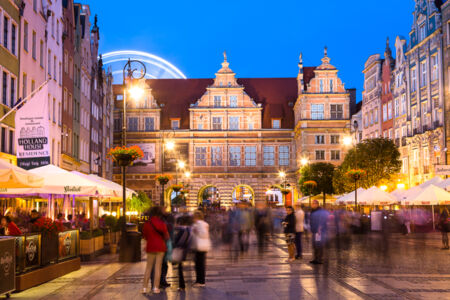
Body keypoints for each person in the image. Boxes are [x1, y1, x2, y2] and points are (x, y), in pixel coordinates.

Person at [142, 206, 169, 295]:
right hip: (160, 247)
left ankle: (144, 288)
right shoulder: (161, 223)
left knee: (148, 268)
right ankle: (155, 287)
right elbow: (166, 236)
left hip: (150, 247)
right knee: (158, 268)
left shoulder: (147, 223)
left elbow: (145, 236)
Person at [173, 215, 193, 291]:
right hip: (186, 250)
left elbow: (178, 241)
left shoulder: (182, 230)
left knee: (180, 269)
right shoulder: (189, 229)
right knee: (184, 269)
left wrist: (174, 246)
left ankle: (182, 286)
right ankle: (185, 284)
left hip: (181, 251)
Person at [192, 210, 211, 287]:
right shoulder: (204, 223)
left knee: (199, 265)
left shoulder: (199, 224)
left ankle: (200, 281)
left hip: (199, 246)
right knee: (200, 264)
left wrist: (196, 231)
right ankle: (200, 281)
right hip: (203, 246)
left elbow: (203, 234)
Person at [309, 200, 329, 264]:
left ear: (317, 204)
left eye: (314, 203)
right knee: (314, 245)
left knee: (319, 245)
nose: (312, 205)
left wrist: (320, 228)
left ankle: (319, 259)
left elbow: (322, 220)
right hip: (314, 230)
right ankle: (315, 258)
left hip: (319, 231)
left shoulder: (320, 211)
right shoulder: (312, 211)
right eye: (312, 203)